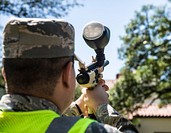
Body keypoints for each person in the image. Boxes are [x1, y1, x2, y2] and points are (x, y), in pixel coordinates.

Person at [0, 18, 139, 133]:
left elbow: (36, 121)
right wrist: (102, 107)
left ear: (4, 74)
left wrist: (78, 106)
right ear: (66, 74)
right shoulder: (86, 130)